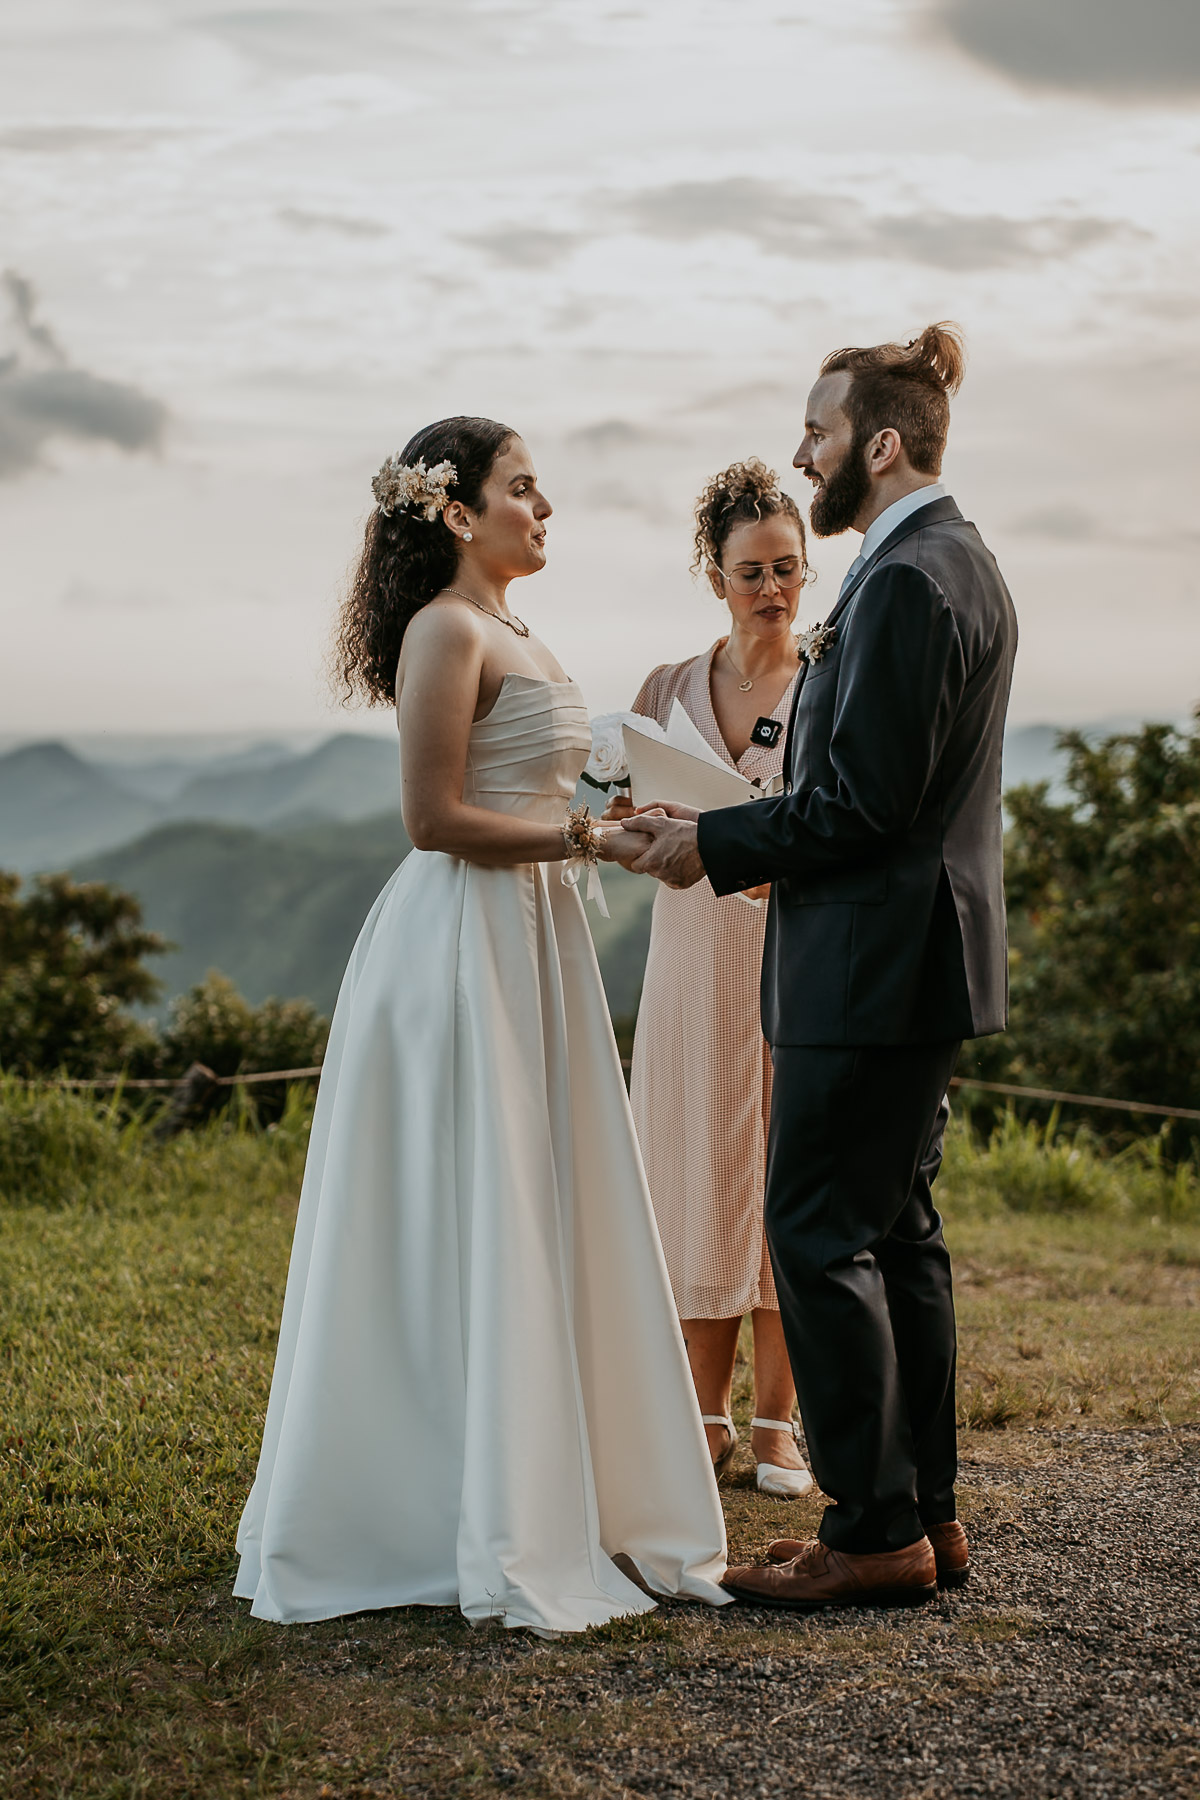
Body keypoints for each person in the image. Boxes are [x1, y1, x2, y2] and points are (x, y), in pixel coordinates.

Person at [234, 417, 730, 1635]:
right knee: (474, 1199)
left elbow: (551, 792)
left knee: (541, 1194)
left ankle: (565, 1480)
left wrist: (618, 820)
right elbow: (433, 817)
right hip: (462, 944)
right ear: (457, 512)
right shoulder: (444, 629)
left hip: (537, 937)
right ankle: (436, 1500)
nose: (545, 504)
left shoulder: (516, 630)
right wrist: (586, 837)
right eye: (523, 487)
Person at [622, 325, 1017, 1609]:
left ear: (881, 443)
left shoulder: (907, 579)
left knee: (813, 1228)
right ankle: (924, 1515)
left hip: (870, 961)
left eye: (820, 431)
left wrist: (710, 844)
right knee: (898, 1235)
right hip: (915, 960)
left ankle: (871, 1529)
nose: (805, 452)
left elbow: (858, 806)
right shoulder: (960, 564)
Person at [605, 459, 813, 1499]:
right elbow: (624, 812)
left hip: (791, 956)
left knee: (782, 1180)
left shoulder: (828, 686)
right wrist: (620, 832)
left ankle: (780, 1424)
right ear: (714, 574)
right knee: (692, 1173)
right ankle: (704, 1415)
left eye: (787, 569)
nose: (771, 589)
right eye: (751, 572)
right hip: (690, 960)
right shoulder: (664, 690)